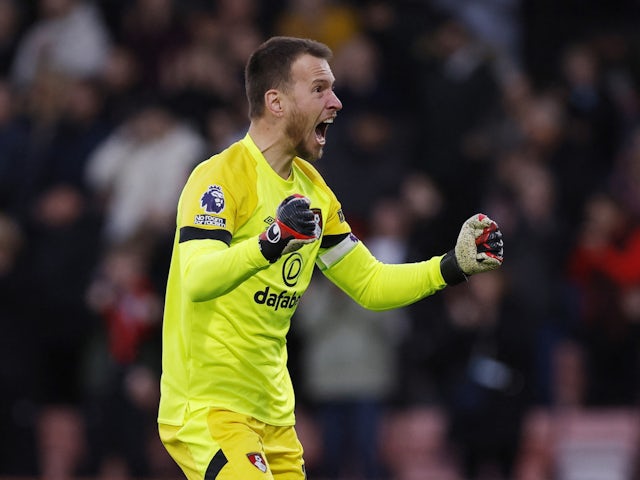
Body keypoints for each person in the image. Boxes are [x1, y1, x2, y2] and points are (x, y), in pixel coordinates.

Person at [157, 36, 504, 480]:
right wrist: (271, 241)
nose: (336, 102)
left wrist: (451, 267)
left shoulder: (313, 192)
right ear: (276, 101)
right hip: (211, 408)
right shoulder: (220, 177)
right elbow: (198, 279)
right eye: (319, 89)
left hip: (275, 417)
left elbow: (370, 285)